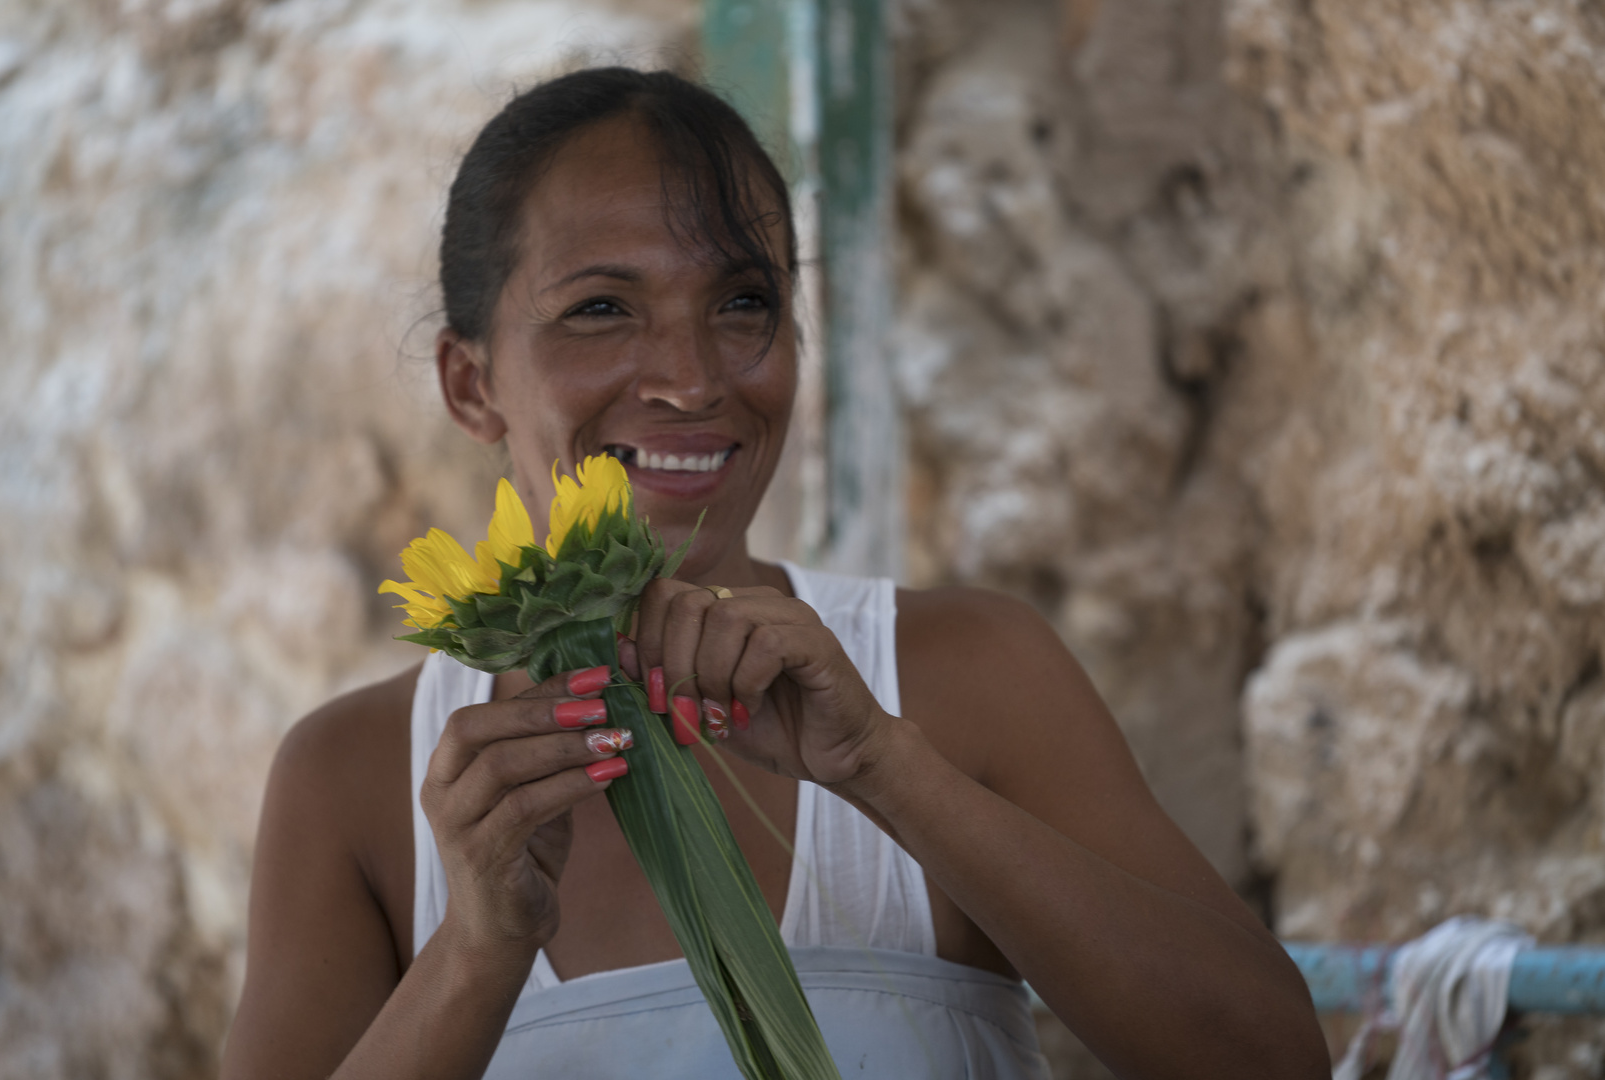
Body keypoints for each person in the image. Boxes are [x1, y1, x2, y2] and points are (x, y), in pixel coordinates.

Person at [220, 67, 1326, 1079]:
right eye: (601, 309)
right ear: (471, 386)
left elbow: (1270, 1059)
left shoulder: (962, 679)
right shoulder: (360, 783)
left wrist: (888, 771)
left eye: (743, 303)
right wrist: (476, 951)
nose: (693, 380)